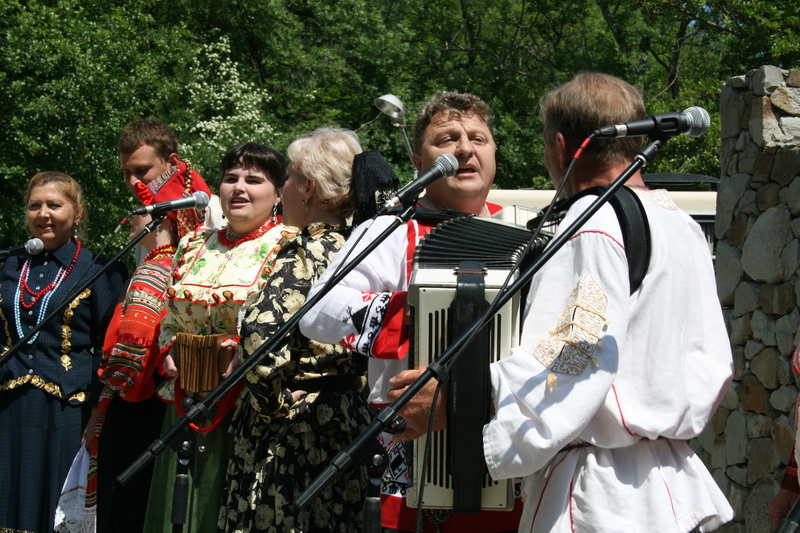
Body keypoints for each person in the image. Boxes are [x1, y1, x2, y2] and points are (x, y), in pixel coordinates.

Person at [388, 73, 736, 532]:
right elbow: (709, 355)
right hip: (667, 481)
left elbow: (573, 354)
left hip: (601, 495)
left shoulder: (592, 223)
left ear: (559, 144)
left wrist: (455, 396)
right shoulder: (681, 224)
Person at [299, 92, 523, 532]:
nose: (464, 148)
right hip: (412, 470)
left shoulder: (530, 232)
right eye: (447, 139)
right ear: (420, 164)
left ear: (494, 154)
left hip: (507, 464)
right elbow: (317, 309)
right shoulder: (391, 229)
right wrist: (416, 319)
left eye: (478, 138)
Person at [219, 128, 392, 532]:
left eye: (291, 176)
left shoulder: (304, 253)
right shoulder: (363, 249)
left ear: (308, 188)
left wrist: (274, 407)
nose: (284, 187)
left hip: (296, 432)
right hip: (352, 421)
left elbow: (260, 343)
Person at [142, 142, 295, 533]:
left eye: (254, 179)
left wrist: (243, 353)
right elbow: (169, 318)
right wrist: (169, 351)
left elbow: (295, 328)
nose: (239, 187)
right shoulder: (194, 244)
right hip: (184, 400)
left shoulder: (289, 246)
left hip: (247, 406)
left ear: (279, 193)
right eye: (231, 178)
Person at [86, 162, 213, 532]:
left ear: (163, 220)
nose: (131, 218)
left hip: (134, 412)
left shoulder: (153, 273)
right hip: (164, 410)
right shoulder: (183, 269)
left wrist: (107, 389)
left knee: (123, 509)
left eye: (142, 211)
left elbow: (129, 365)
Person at [0, 172, 126, 532]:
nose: (44, 214)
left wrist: (98, 415)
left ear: (78, 212)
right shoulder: (9, 265)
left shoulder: (100, 269)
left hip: (67, 411)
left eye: (55, 205)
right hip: (9, 406)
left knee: (56, 507)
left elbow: (109, 347)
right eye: (34, 205)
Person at [118, 118, 225, 245]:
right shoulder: (144, 219)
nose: (132, 181)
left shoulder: (213, 209)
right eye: (127, 173)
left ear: (173, 162)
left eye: (142, 170)